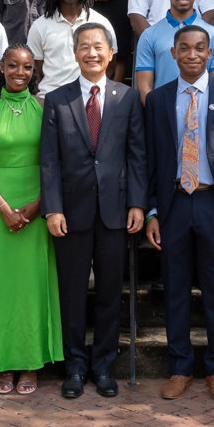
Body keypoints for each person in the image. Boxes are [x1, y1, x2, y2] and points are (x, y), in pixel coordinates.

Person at [39, 23, 147, 399]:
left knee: (108, 293)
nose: (91, 53)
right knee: (71, 294)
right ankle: (74, 367)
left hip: (116, 212)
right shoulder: (57, 100)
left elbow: (137, 154)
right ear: (74, 53)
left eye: (98, 46)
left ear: (110, 52)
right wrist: (52, 208)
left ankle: (103, 366)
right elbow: (49, 161)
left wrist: (138, 203)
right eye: (84, 47)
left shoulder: (127, 97)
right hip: (70, 212)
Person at [143, 26, 214, 402]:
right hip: (172, 203)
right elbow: (150, 159)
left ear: (209, 54)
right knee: (174, 289)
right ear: (173, 53)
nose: (191, 54)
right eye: (184, 48)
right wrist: (152, 209)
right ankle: (180, 367)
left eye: (199, 48)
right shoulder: (156, 100)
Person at [0, 45, 63, 396]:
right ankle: (1, 362)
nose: (20, 72)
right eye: (13, 66)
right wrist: (4, 209)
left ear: (33, 70)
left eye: (26, 67)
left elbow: (56, 161)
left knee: (31, 285)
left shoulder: (45, 108)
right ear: (2, 68)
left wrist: (39, 204)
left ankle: (30, 363)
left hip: (38, 203)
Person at [134, 0, 214, 102]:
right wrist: (156, 115)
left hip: (203, 113)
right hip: (163, 113)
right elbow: (144, 87)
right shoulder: (149, 35)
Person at [28, 0, 119, 98]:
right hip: (49, 101)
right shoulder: (39, 26)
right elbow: (35, 74)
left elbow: (110, 69)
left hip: (88, 101)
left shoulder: (102, 23)